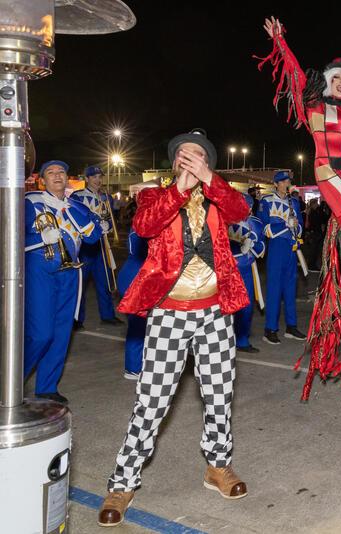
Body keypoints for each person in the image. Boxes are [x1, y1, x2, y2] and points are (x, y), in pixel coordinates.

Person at [98, 129, 251, 527]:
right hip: (169, 313)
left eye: (198, 155)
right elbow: (146, 226)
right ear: (174, 161)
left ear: (208, 162)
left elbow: (240, 211)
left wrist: (209, 180)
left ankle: (218, 466)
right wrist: (180, 189)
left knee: (220, 396)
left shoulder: (219, 195)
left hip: (215, 312)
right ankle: (122, 482)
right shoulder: (154, 195)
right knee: (152, 402)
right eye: (184, 154)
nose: (190, 159)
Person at [258, 17, 341, 417]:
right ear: (329, 80)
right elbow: (295, 75)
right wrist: (281, 42)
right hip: (326, 172)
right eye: (337, 78)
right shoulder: (313, 104)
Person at [24, 160, 101, 404]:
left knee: (61, 334)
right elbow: (11, 233)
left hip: (70, 273)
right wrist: (39, 238)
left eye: (61, 172)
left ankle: (47, 386)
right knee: (40, 334)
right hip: (40, 272)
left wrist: (68, 208)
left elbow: (93, 236)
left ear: (67, 178)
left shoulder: (76, 205)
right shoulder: (30, 202)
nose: (57, 175)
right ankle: (10, 383)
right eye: (51, 172)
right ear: (42, 180)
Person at [71, 165, 123, 328]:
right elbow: (74, 218)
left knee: (105, 282)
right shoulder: (77, 196)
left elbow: (110, 218)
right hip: (84, 247)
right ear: (87, 179)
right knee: (80, 284)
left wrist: (108, 225)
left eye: (100, 177)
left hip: (102, 245)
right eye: (94, 177)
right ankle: (77, 319)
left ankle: (107, 315)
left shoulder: (107, 197)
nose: (98, 180)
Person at [257, 171, 305, 345]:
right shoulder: (266, 201)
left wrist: (296, 227)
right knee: (274, 290)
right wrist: (285, 224)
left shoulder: (294, 202)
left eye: (287, 181)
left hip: (291, 248)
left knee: (290, 290)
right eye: (283, 181)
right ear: (276, 184)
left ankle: (291, 326)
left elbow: (301, 225)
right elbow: (265, 228)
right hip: (276, 247)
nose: (286, 184)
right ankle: (270, 329)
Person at [231, 193, 266, 352]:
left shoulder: (256, 223)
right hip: (226, 268)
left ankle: (242, 339)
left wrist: (252, 245)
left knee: (246, 305)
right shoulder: (224, 220)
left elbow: (262, 249)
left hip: (246, 268)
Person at [117, 223, 149, 380]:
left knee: (141, 325)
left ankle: (137, 365)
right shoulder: (146, 224)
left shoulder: (142, 221)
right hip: (138, 277)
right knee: (139, 324)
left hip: (134, 273)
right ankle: (134, 367)